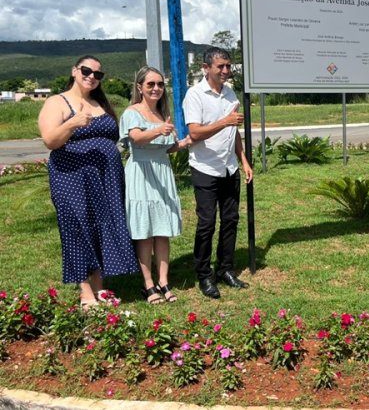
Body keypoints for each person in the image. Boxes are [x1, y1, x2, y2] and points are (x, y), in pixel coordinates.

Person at [38, 55, 139, 309]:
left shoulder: (99, 102)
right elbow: (50, 140)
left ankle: (99, 286)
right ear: (74, 71)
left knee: (102, 225)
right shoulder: (57, 102)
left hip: (105, 178)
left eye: (98, 74)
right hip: (71, 177)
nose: (92, 76)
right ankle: (85, 291)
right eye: (86, 70)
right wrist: (73, 123)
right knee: (76, 227)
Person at [183, 47, 253, 299]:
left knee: (231, 220)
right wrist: (225, 121)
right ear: (206, 68)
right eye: (220, 66)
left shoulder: (230, 92)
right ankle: (204, 274)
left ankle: (225, 269)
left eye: (228, 66)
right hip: (205, 167)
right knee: (206, 223)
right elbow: (194, 133)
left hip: (229, 167)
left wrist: (242, 159)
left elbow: (233, 131)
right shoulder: (195, 95)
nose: (226, 70)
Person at [120, 67, 191, 304]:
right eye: (150, 84)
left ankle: (164, 281)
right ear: (139, 87)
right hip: (141, 173)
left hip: (162, 172)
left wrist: (182, 143)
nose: (156, 88)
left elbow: (166, 148)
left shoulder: (162, 114)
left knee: (162, 231)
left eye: (160, 84)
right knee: (145, 232)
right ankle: (148, 284)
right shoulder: (132, 112)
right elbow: (136, 138)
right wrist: (159, 130)